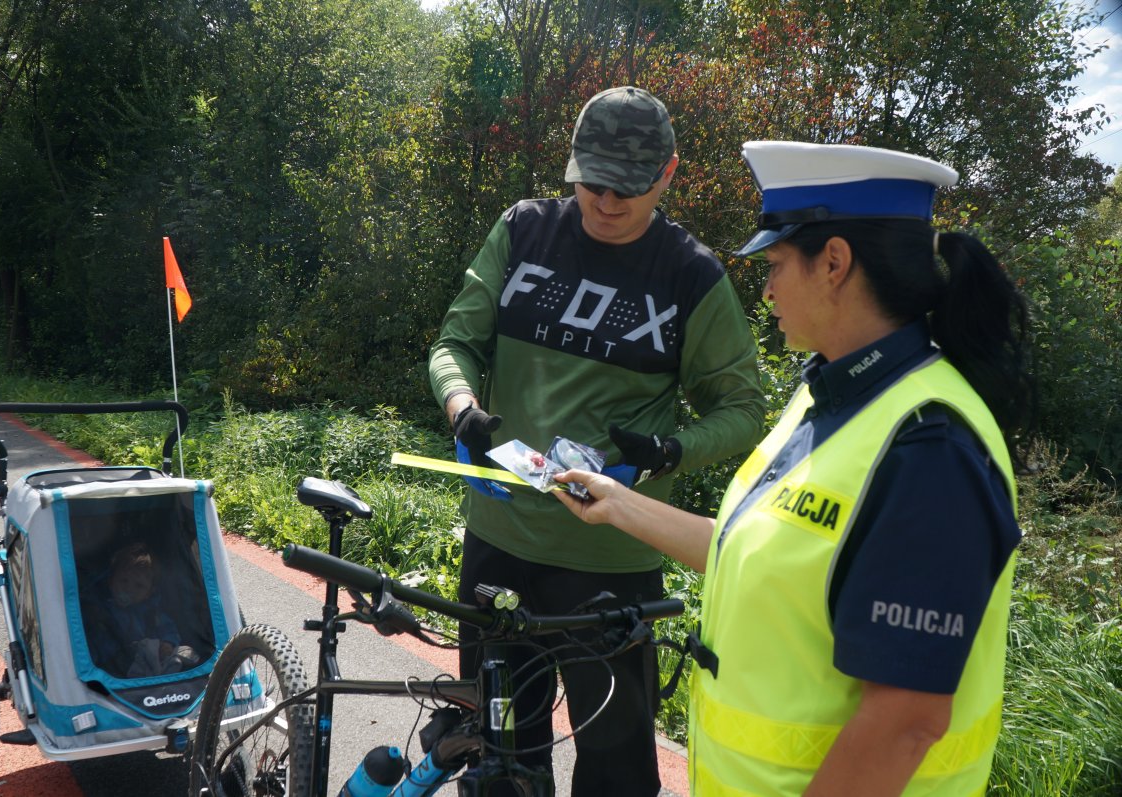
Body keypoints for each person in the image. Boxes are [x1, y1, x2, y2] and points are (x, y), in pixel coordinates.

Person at [553, 140, 1035, 796]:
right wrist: (618, 502)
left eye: (775, 263)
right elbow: (759, 553)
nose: (768, 287)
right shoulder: (826, 393)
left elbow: (906, 720)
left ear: (833, 261)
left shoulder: (930, 446)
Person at [428, 86, 765, 794]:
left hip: (612, 566)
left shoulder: (690, 275)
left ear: (669, 173)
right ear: (571, 163)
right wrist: (463, 408)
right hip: (500, 544)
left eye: (629, 189)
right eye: (592, 183)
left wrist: (668, 452)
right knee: (498, 766)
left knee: (616, 773)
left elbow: (741, 409)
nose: (607, 202)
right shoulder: (523, 230)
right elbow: (455, 341)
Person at [85, 542, 199, 679]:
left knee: (173, 655)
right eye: (123, 581)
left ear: (149, 593)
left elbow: (168, 629)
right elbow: (94, 640)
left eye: (139, 586)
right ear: (111, 581)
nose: (129, 589)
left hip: (146, 658)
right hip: (114, 663)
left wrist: (168, 643)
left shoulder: (152, 613)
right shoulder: (103, 610)